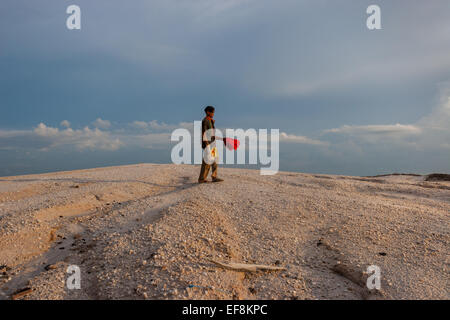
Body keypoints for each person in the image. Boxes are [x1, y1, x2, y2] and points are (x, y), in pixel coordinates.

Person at [198, 106, 224, 183]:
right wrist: (207, 145)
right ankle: (201, 179)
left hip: (212, 144)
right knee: (206, 162)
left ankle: (214, 176)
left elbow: (212, 135)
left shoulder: (211, 121)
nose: (213, 114)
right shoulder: (205, 121)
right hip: (208, 145)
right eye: (212, 112)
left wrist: (222, 139)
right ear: (208, 112)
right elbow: (204, 134)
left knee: (215, 159)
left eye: (213, 112)